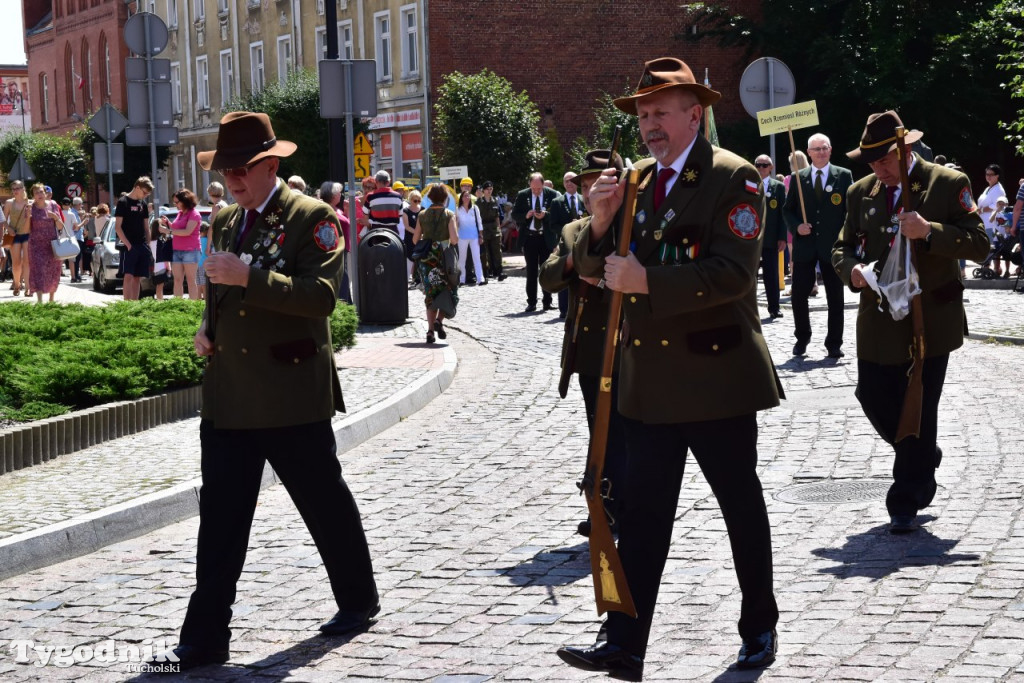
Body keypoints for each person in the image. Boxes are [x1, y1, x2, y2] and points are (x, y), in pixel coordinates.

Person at [556, 57, 782, 680]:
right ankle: (625, 643)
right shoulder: (631, 181)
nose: (650, 125)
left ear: (695, 113)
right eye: (643, 114)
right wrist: (599, 226)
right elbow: (587, 263)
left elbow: (735, 275)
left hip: (716, 378)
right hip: (648, 384)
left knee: (740, 505)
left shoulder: (733, 178)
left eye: (661, 112)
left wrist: (648, 280)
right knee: (643, 516)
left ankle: (759, 625)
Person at [154, 111, 379, 671]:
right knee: (221, 520)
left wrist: (249, 278)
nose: (231, 177)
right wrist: (207, 328)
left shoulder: (313, 217)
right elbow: (217, 291)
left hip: (289, 393)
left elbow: (322, 297)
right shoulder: (225, 220)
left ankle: (358, 598)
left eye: (242, 167)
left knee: (323, 503)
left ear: (271, 163)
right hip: (230, 396)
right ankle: (205, 635)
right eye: (225, 166)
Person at [833, 111, 989, 533]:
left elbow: (979, 243)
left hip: (930, 320)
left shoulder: (947, 183)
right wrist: (853, 271)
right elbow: (842, 247)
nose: (878, 171)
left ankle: (905, 498)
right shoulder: (860, 192)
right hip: (879, 319)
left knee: (920, 405)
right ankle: (923, 455)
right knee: (872, 396)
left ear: (904, 151)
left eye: (884, 161)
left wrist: (930, 231)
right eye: (871, 163)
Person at [539, 149, 628, 537]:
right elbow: (547, 276)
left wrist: (605, 278)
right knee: (600, 432)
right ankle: (602, 509)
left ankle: (629, 506)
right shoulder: (575, 231)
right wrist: (578, 261)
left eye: (603, 183)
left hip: (629, 348)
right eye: (590, 185)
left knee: (631, 435)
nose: (596, 191)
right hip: (591, 352)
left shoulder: (634, 227)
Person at [783, 133, 853, 358]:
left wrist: (847, 239)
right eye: (816, 149)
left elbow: (849, 212)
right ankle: (802, 337)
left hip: (832, 247)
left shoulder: (843, 176)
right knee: (798, 295)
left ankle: (834, 343)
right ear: (809, 152)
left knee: (836, 297)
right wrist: (796, 227)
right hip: (805, 246)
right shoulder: (798, 177)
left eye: (825, 148)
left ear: (830, 150)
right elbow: (787, 209)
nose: (821, 152)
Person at [412, 183, 459, 344]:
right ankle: (439, 320)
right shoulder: (449, 214)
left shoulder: (422, 215)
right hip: (443, 258)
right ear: (445, 198)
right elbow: (454, 239)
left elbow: (415, 239)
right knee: (449, 290)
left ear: (430, 197)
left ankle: (430, 331)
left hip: (426, 259)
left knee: (431, 294)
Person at [512, 172, 559, 311]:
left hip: (545, 238)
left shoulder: (552, 194)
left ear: (543, 185)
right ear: (530, 185)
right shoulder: (523, 195)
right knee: (531, 271)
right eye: (534, 189)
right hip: (530, 237)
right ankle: (531, 302)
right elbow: (515, 214)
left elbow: (557, 215)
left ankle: (547, 301)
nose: (536, 192)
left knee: (546, 270)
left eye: (539, 189)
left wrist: (546, 215)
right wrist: (525, 216)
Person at [548, 171, 586, 318]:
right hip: (566, 244)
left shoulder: (584, 199)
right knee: (565, 272)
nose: (569, 183)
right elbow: (553, 225)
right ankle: (564, 309)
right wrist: (568, 229)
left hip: (584, 242)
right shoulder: (557, 202)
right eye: (566, 181)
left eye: (571, 180)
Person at [755, 154, 787, 319]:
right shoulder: (747, 185)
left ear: (771, 167)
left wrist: (782, 236)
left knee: (772, 275)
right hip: (751, 240)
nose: (761, 168)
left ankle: (774, 307)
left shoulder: (778, 187)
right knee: (750, 275)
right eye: (758, 165)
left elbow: (783, 213)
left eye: (764, 165)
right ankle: (750, 308)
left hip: (771, 238)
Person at [115, 177, 154, 300]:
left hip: (142, 245)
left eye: (148, 194)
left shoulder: (143, 204)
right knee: (128, 276)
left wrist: (149, 245)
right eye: (144, 192)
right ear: (137, 187)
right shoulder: (123, 202)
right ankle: (127, 305)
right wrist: (128, 245)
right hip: (129, 245)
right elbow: (118, 227)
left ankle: (135, 304)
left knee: (138, 277)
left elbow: (147, 228)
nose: (146, 195)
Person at [159, 188, 202, 299]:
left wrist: (167, 231)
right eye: (175, 202)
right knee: (177, 280)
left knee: (190, 280)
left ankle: (193, 307)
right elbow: (175, 227)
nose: (175, 204)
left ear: (185, 201)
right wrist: (168, 222)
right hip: (177, 250)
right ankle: (178, 305)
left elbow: (187, 231)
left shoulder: (194, 214)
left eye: (177, 202)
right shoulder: (180, 213)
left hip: (191, 250)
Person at [27, 183, 64, 303]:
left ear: (45, 193)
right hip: (36, 245)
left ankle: (51, 299)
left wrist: (56, 218)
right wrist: (27, 216)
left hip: (52, 245)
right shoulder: (30, 207)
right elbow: (27, 229)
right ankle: (39, 300)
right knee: (38, 270)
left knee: (53, 270)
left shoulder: (53, 205)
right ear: (33, 195)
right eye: (36, 192)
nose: (39, 194)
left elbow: (60, 227)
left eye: (41, 192)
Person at [319, 181, 352, 303]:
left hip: (343, 246)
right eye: (339, 193)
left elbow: (345, 223)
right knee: (342, 276)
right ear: (333, 195)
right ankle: (343, 304)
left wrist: (346, 210)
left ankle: (348, 304)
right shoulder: (326, 209)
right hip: (335, 247)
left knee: (344, 276)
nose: (341, 195)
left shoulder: (336, 209)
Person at [977, 164, 1007, 275]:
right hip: (984, 221)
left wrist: (983, 209)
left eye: (991, 174)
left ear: (997, 176)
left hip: (992, 222)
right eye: (987, 174)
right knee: (987, 245)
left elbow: (997, 205)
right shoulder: (988, 188)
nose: (988, 177)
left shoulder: (998, 189)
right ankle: (987, 266)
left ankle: (995, 268)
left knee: (992, 245)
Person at [4, 180, 32, 296]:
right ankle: (17, 284)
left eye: (18, 188)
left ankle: (28, 288)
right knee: (16, 263)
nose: (15, 191)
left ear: (23, 189)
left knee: (27, 262)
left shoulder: (30, 202)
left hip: (27, 234)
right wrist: (8, 228)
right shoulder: (9, 203)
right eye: (13, 189)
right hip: (14, 235)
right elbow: (3, 220)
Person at [455, 190, 487, 286]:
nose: (467, 198)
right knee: (462, 259)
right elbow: (456, 224)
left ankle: (480, 278)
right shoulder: (457, 209)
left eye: (468, 196)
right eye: (465, 196)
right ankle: (461, 279)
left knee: (476, 257)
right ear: (461, 198)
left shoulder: (475, 208)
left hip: (474, 236)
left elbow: (479, 222)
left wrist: (481, 235)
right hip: (462, 237)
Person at [476, 181, 505, 281]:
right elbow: (477, 218)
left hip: (494, 228)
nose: (489, 191)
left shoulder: (495, 201)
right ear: (483, 190)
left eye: (491, 189)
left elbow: (497, 216)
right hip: (483, 228)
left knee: (497, 250)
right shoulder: (479, 202)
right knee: (485, 252)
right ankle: (486, 271)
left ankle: (499, 271)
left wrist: (499, 229)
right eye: (487, 189)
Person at [361, 170, 403, 236]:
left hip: (376, 232)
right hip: (393, 232)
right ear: (388, 182)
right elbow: (400, 214)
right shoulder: (398, 196)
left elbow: (365, 213)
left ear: (376, 182)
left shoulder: (370, 196)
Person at [401, 189, 423, 283]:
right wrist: (417, 233)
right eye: (415, 200)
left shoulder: (423, 210)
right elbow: (407, 226)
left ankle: (419, 279)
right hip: (410, 238)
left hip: (421, 238)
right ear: (410, 199)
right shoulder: (406, 211)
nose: (417, 202)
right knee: (409, 259)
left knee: (421, 259)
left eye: (419, 200)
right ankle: (405, 281)